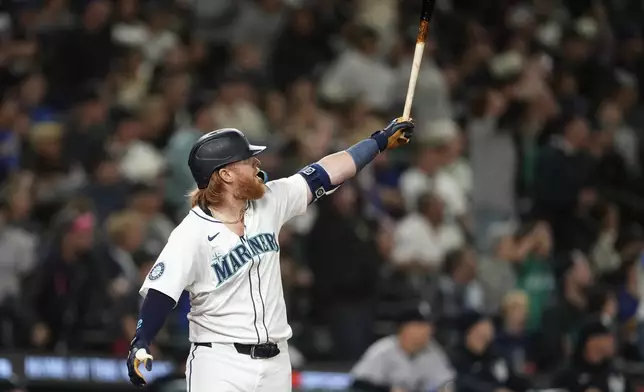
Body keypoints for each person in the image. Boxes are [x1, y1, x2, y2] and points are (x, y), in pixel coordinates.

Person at [125, 119, 416, 391]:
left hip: (276, 361)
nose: (257, 163)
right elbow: (162, 292)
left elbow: (325, 172)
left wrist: (377, 142)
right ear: (225, 174)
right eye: (247, 160)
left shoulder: (270, 202)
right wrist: (141, 340)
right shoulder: (191, 233)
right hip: (219, 362)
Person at [350, 301, 455, 392]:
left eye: (429, 326)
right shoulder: (384, 350)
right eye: (419, 326)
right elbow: (359, 383)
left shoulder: (433, 351)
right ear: (403, 329)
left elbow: (446, 382)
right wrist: (388, 390)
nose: (427, 330)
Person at [450, 312, 531, 392]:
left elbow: (509, 378)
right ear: (467, 334)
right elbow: (462, 382)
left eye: (486, 337)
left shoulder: (493, 356)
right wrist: (493, 390)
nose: (483, 341)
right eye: (479, 336)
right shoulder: (456, 357)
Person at [553, 318, 631, 392]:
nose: (612, 341)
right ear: (591, 341)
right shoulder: (567, 375)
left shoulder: (617, 373)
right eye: (606, 337)